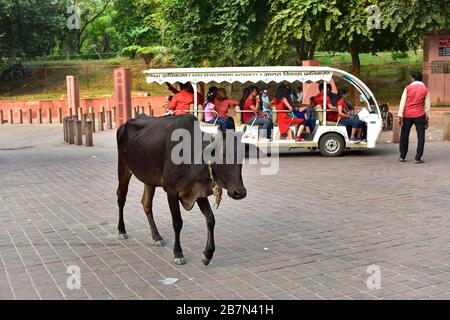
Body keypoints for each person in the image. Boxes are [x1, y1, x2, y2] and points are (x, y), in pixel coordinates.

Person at [398, 71, 431, 163]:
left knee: (404, 136)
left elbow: (402, 102)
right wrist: (427, 118)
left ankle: (402, 156)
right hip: (420, 115)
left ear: (413, 78)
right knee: (421, 137)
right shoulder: (425, 89)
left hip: (408, 115)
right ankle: (418, 158)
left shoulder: (407, 88)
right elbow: (427, 105)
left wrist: (400, 115)